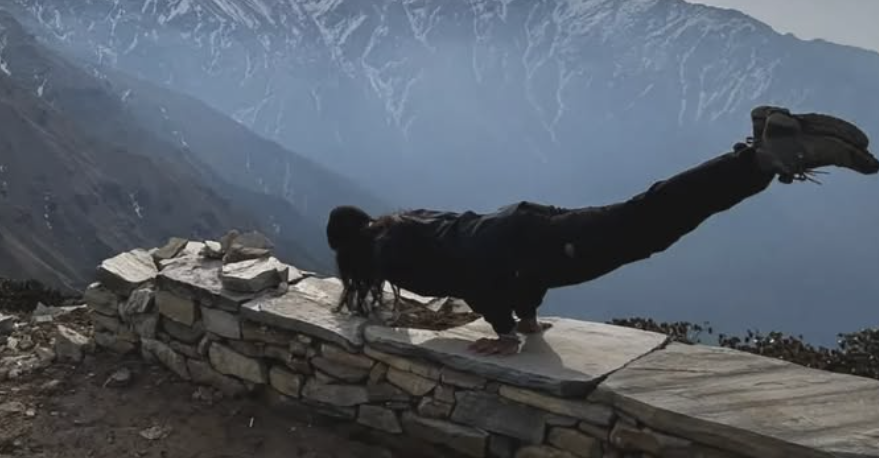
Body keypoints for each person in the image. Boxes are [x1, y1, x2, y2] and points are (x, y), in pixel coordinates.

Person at [325, 106, 879, 357]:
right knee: (646, 216)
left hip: (523, 246)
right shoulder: (406, 221)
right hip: (525, 222)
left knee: (651, 222)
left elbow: (475, 271)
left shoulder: (391, 253)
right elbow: (476, 244)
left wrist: (505, 332)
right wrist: (527, 314)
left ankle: (765, 156)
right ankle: (760, 150)